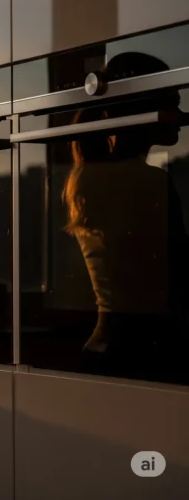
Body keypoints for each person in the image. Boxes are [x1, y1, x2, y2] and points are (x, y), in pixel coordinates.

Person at [61, 51, 189, 381]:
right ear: (144, 110)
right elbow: (178, 273)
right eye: (172, 103)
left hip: (101, 344)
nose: (181, 115)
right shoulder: (150, 181)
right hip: (144, 350)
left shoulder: (85, 176)